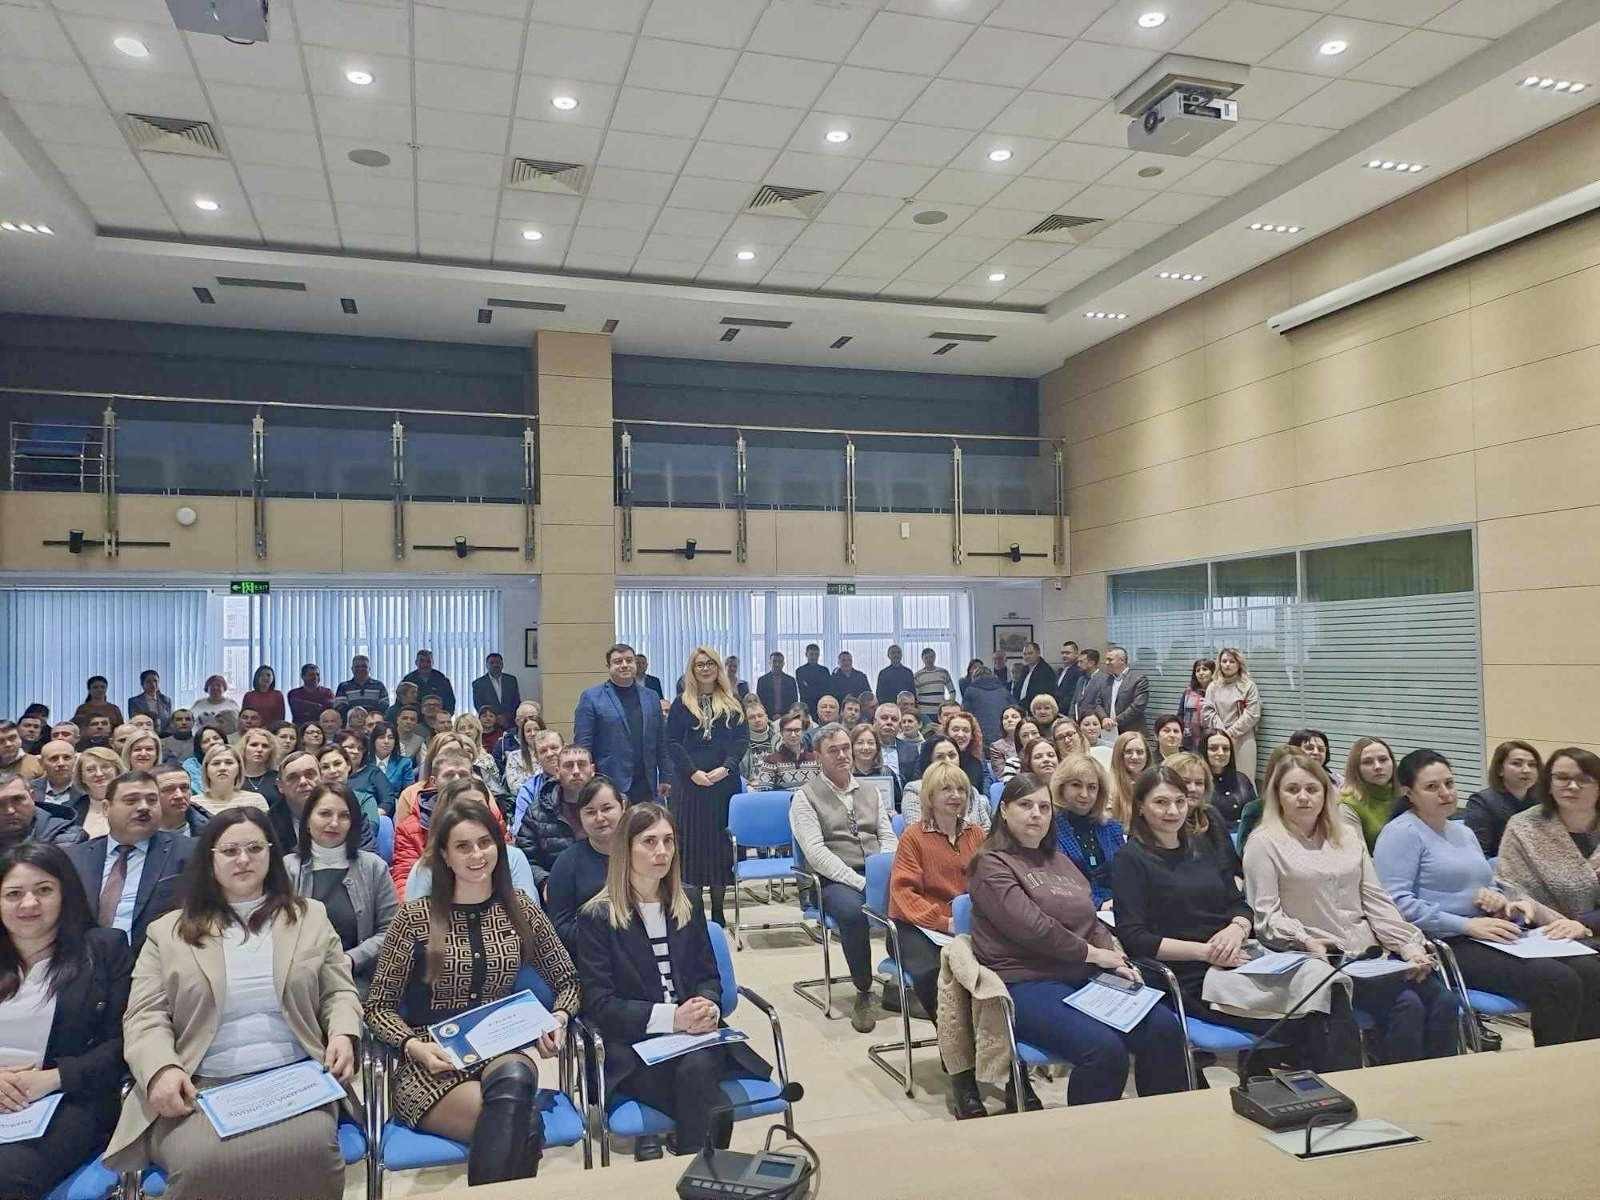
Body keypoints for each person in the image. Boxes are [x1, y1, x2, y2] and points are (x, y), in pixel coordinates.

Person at [103, 808, 361, 1199]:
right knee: (202, 1162)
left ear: (271, 853)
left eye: (255, 848)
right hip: (200, 1083)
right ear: (210, 859)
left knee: (309, 1148)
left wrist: (342, 1032)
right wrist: (160, 1069)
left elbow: (338, 991)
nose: (243, 860)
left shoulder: (309, 916)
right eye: (230, 851)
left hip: (293, 1076)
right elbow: (145, 1015)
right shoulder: (167, 932)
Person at [364, 796, 578, 1184]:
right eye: (463, 846)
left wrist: (559, 1018)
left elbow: (568, 981)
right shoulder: (415, 917)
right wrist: (413, 1046)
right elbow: (378, 1006)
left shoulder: (521, 909)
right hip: (432, 1059)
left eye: (484, 843)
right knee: (523, 1125)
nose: (477, 855)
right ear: (445, 856)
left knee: (515, 1079)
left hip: (500, 1047)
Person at [1112, 766, 1359, 1075]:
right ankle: (1328, 1089)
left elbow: (1238, 903)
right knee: (1318, 1017)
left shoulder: (1201, 846)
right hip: (1193, 975)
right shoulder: (1130, 859)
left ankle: (1323, 1086)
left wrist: (1236, 928)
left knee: (1325, 982)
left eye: (1179, 801)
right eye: (1160, 802)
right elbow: (1135, 938)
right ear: (1140, 807)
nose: (1173, 811)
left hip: (1241, 956)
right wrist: (1206, 952)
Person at [971, 772, 1188, 1109]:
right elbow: (1034, 928)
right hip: (1027, 981)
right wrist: (1096, 956)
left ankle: (1162, 1121)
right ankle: (1087, 1135)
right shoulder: (990, 865)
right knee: (1104, 1051)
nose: (1036, 814)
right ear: (1004, 810)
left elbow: (1090, 917)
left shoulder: (1059, 861)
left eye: (1044, 807)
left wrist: (1114, 960)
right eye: (1025, 805)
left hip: (1082, 974)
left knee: (1164, 1028)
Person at [574, 803, 771, 1161]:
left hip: (694, 1037)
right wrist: (673, 1018)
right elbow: (600, 1005)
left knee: (699, 1076)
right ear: (626, 849)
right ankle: (701, 1167)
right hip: (633, 1045)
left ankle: (692, 1164)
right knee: (710, 1101)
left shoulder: (687, 901)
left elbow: (707, 975)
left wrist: (708, 1004)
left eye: (668, 840)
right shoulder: (596, 916)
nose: (662, 851)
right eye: (649, 841)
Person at [1375, 749, 1600, 1047]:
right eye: (1432, 787)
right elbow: (1395, 903)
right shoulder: (1401, 833)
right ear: (1408, 793)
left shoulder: (1461, 832)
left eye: (1449, 783)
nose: (1445, 793)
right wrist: (1466, 925)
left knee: (1591, 968)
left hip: (1489, 932)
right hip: (1446, 943)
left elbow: (1488, 884)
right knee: (1559, 981)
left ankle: (1585, 1060)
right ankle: (1552, 1066)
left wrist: (1499, 901)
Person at [1243, 752, 1457, 1064]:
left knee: (1444, 1002)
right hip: (1317, 959)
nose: (1303, 797)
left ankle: (1445, 1080)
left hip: (1368, 955)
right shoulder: (1263, 843)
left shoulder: (1348, 836)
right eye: (1292, 790)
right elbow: (1266, 915)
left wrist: (1409, 946)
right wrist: (1305, 939)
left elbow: (1376, 900)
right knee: (1408, 1007)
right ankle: (1398, 1082)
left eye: (1312, 789)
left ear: (1325, 793)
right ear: (1277, 795)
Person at [0, 842, 133, 1200]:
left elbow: (123, 1043)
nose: (29, 904)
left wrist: (52, 1078)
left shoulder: (104, 949)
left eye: (44, 890)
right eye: (14, 894)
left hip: (66, 1098)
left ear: (65, 894)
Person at [886, 758, 986, 1116]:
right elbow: (903, 894)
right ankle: (961, 1074)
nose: (955, 795)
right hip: (915, 926)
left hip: (966, 925)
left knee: (997, 970)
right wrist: (943, 922)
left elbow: (990, 881)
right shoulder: (914, 836)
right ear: (929, 796)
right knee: (936, 975)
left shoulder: (977, 835)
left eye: (961, 789)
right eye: (946, 789)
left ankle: (1008, 1068)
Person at [790, 724, 898, 1032]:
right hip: (832, 880)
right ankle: (863, 990)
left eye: (845, 748)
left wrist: (884, 869)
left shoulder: (870, 790)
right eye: (833, 751)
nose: (842, 755)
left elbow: (887, 835)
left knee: (907, 897)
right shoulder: (805, 797)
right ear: (817, 757)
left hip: (873, 871)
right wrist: (862, 883)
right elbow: (816, 854)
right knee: (853, 913)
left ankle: (898, 981)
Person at [283, 782, 398, 994]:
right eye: (325, 814)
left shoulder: (374, 867)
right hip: (299, 984)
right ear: (307, 820)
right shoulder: (287, 869)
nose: (334, 823)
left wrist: (351, 959)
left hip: (358, 982)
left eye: (344, 816)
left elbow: (391, 930)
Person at [65, 769, 194, 956]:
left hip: (156, 963)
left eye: (152, 800)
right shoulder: (75, 857)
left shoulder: (189, 852)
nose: (144, 807)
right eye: (131, 800)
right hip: (85, 963)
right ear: (106, 808)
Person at [665, 647, 748, 930]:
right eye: (699, 664)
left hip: (724, 785)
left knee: (720, 847)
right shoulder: (681, 704)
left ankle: (719, 912)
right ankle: (697, 911)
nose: (705, 668)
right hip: (690, 788)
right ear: (692, 669)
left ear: (718, 668)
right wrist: (692, 772)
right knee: (693, 848)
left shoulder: (733, 701)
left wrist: (727, 768)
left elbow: (741, 741)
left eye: (710, 663)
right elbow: (672, 742)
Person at [1497, 747, 1600, 933]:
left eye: (1584, 779)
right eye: (1561, 778)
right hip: (1546, 934)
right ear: (1549, 784)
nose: (1572, 786)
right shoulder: (1523, 827)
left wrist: (1586, 924)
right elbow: (1510, 888)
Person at [406, 778, 542, 904]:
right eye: (463, 807)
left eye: (479, 806)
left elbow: (528, 908)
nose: (472, 813)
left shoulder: (514, 858)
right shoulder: (426, 867)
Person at [574, 644, 672, 808]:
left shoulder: (651, 696)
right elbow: (583, 746)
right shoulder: (591, 698)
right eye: (618, 661)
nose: (624, 665)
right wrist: (588, 781)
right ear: (608, 666)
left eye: (629, 660)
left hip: (647, 784)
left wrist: (665, 776)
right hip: (608, 783)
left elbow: (661, 741)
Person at [546, 777, 624, 946]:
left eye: (607, 808)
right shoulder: (567, 862)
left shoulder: (641, 854)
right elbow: (560, 925)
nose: (599, 818)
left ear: (623, 807)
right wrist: (605, 939)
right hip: (590, 953)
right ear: (580, 816)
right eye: (590, 812)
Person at [515, 745, 597, 889]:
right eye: (569, 766)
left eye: (582, 764)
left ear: (592, 770)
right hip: (557, 887)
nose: (576, 771)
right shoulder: (536, 812)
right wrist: (545, 883)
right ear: (557, 772)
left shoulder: (612, 805)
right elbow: (526, 859)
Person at [1049, 754, 1124, 909]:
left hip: (1119, 906)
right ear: (1061, 787)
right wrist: (1099, 904)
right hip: (1077, 910)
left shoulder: (1112, 827)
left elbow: (1127, 875)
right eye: (1076, 785)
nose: (1084, 794)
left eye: (1092, 787)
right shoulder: (1050, 830)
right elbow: (1057, 885)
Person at [1463, 740, 1542, 857]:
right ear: (1500, 770)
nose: (1526, 770)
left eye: (1532, 765)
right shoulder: (1482, 802)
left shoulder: (1540, 800)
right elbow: (1478, 855)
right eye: (1517, 763)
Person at [901, 734, 991, 830]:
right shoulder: (915, 790)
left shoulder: (971, 790)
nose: (948, 761)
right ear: (929, 762)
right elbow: (918, 831)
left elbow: (987, 829)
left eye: (952, 756)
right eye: (940, 757)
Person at [1201, 647, 1260, 782]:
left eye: (1232, 661)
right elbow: (1208, 711)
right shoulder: (1213, 686)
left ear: (1239, 664)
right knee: (1218, 776)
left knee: (1245, 778)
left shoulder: (1248, 685)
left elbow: (1252, 714)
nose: (1227, 665)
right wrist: (1222, 732)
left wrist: (1231, 733)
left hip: (1243, 737)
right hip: (1218, 737)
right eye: (1224, 661)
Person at [1338, 736, 1398, 850]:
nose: (1378, 767)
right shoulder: (1348, 805)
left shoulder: (1406, 794)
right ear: (1356, 768)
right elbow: (1356, 855)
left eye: (1383, 759)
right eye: (1367, 762)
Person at [509, 729, 565, 836]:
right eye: (543, 751)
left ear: (565, 749)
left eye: (554, 748)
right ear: (536, 757)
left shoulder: (579, 781)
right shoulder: (528, 790)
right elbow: (520, 830)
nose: (549, 754)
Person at [193, 743, 265, 826]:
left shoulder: (256, 800)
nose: (222, 768)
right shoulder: (194, 803)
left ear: (239, 768)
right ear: (206, 769)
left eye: (229, 762)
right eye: (216, 763)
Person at [752, 710, 819, 792]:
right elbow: (764, 793)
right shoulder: (770, 761)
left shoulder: (816, 759)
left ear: (803, 732)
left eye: (797, 730)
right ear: (781, 733)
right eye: (788, 730)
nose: (793, 735)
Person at [1205, 729, 1257, 832]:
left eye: (1225, 749)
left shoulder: (1242, 780)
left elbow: (1255, 813)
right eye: (1213, 748)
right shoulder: (1197, 783)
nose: (1221, 753)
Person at [73, 746, 122, 839]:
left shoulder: (133, 804)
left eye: (105, 767)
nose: (99, 774)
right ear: (82, 777)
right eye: (90, 769)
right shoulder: (73, 810)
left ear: (117, 771)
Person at [31, 739, 83, 823]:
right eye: (54, 758)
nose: (61, 763)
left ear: (75, 760)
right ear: (41, 763)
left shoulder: (87, 789)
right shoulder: (29, 789)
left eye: (66, 758)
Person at [1106, 730, 1149, 827]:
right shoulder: (1107, 785)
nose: (1135, 757)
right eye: (1128, 752)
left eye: (1140, 752)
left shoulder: (1154, 783)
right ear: (1119, 755)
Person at [503, 715, 551, 801]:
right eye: (528, 731)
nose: (533, 733)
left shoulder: (552, 754)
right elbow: (514, 788)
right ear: (523, 735)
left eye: (536, 729)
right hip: (525, 801)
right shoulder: (514, 757)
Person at [943, 711, 991, 796]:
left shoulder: (976, 764)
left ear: (972, 735)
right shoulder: (934, 758)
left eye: (966, 730)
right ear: (946, 733)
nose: (961, 735)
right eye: (955, 730)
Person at [368, 720, 417, 799]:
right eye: (381, 737)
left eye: (390, 738)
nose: (386, 741)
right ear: (374, 741)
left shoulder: (404, 763)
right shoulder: (365, 762)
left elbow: (409, 794)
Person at [471, 653, 522, 727]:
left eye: (498, 662)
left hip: (510, 722)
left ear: (502, 664)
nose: (495, 665)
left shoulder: (511, 680)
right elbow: (478, 705)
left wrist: (506, 717)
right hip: (489, 723)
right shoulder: (478, 683)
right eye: (492, 663)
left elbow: (516, 701)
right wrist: (495, 717)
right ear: (486, 665)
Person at [400, 648, 456, 715]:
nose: (425, 664)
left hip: (438, 717)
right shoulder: (408, 679)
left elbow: (450, 702)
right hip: (415, 717)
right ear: (416, 662)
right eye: (422, 661)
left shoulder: (441, 679)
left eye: (428, 661)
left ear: (432, 663)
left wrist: (445, 717)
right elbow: (401, 701)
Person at [154, 764, 204, 837]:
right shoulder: (137, 832)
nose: (180, 795)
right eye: (169, 789)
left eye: (184, 788)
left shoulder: (212, 829)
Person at [1176, 659, 1214, 751]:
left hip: (1211, 739)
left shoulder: (1218, 692)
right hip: (1189, 740)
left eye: (1205, 669)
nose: (1201, 673)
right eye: (1197, 670)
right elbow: (1180, 715)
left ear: (1213, 672)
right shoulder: (1188, 691)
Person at [912, 648, 956, 722]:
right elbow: (915, 695)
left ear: (935, 657)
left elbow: (952, 691)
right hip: (924, 712)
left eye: (931, 657)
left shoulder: (943, 672)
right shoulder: (917, 675)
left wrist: (949, 704)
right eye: (926, 658)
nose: (929, 660)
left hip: (940, 711)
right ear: (922, 659)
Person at [1009, 643, 1056, 709]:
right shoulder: (1025, 669)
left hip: (1037, 708)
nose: (1027, 656)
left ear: (1038, 653)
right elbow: (1017, 688)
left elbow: (1037, 694)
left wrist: (1019, 706)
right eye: (1024, 654)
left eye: (1030, 653)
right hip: (1021, 708)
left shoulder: (1045, 670)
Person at [739, 699, 776, 781]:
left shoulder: (779, 739)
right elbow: (736, 773)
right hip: (750, 785)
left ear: (766, 717)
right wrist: (747, 783)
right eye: (752, 717)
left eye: (760, 716)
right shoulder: (740, 744)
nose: (757, 720)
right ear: (746, 721)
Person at [756, 652, 799, 721]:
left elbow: (794, 701)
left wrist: (783, 716)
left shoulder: (791, 680)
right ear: (770, 663)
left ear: (783, 664)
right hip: (767, 717)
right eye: (774, 661)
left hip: (786, 717)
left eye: (780, 662)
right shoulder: (762, 681)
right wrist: (771, 715)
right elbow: (760, 701)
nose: (777, 664)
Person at [987, 705, 1026, 781]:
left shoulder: (1031, 739)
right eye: (1005, 718)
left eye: (1014, 717)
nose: (1009, 720)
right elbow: (1001, 775)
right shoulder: (996, 746)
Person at [794, 644, 830, 719]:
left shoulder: (824, 671)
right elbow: (803, 691)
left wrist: (809, 685)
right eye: (811, 654)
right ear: (806, 654)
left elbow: (827, 690)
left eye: (816, 654)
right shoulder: (800, 671)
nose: (814, 657)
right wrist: (818, 687)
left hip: (822, 706)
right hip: (807, 707)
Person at [1052, 641, 1084, 715]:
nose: (1064, 655)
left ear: (1076, 654)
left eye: (1067, 653)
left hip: (1068, 712)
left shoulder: (1078, 671)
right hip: (1056, 711)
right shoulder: (1060, 671)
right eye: (1062, 653)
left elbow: (1072, 695)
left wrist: (1057, 710)